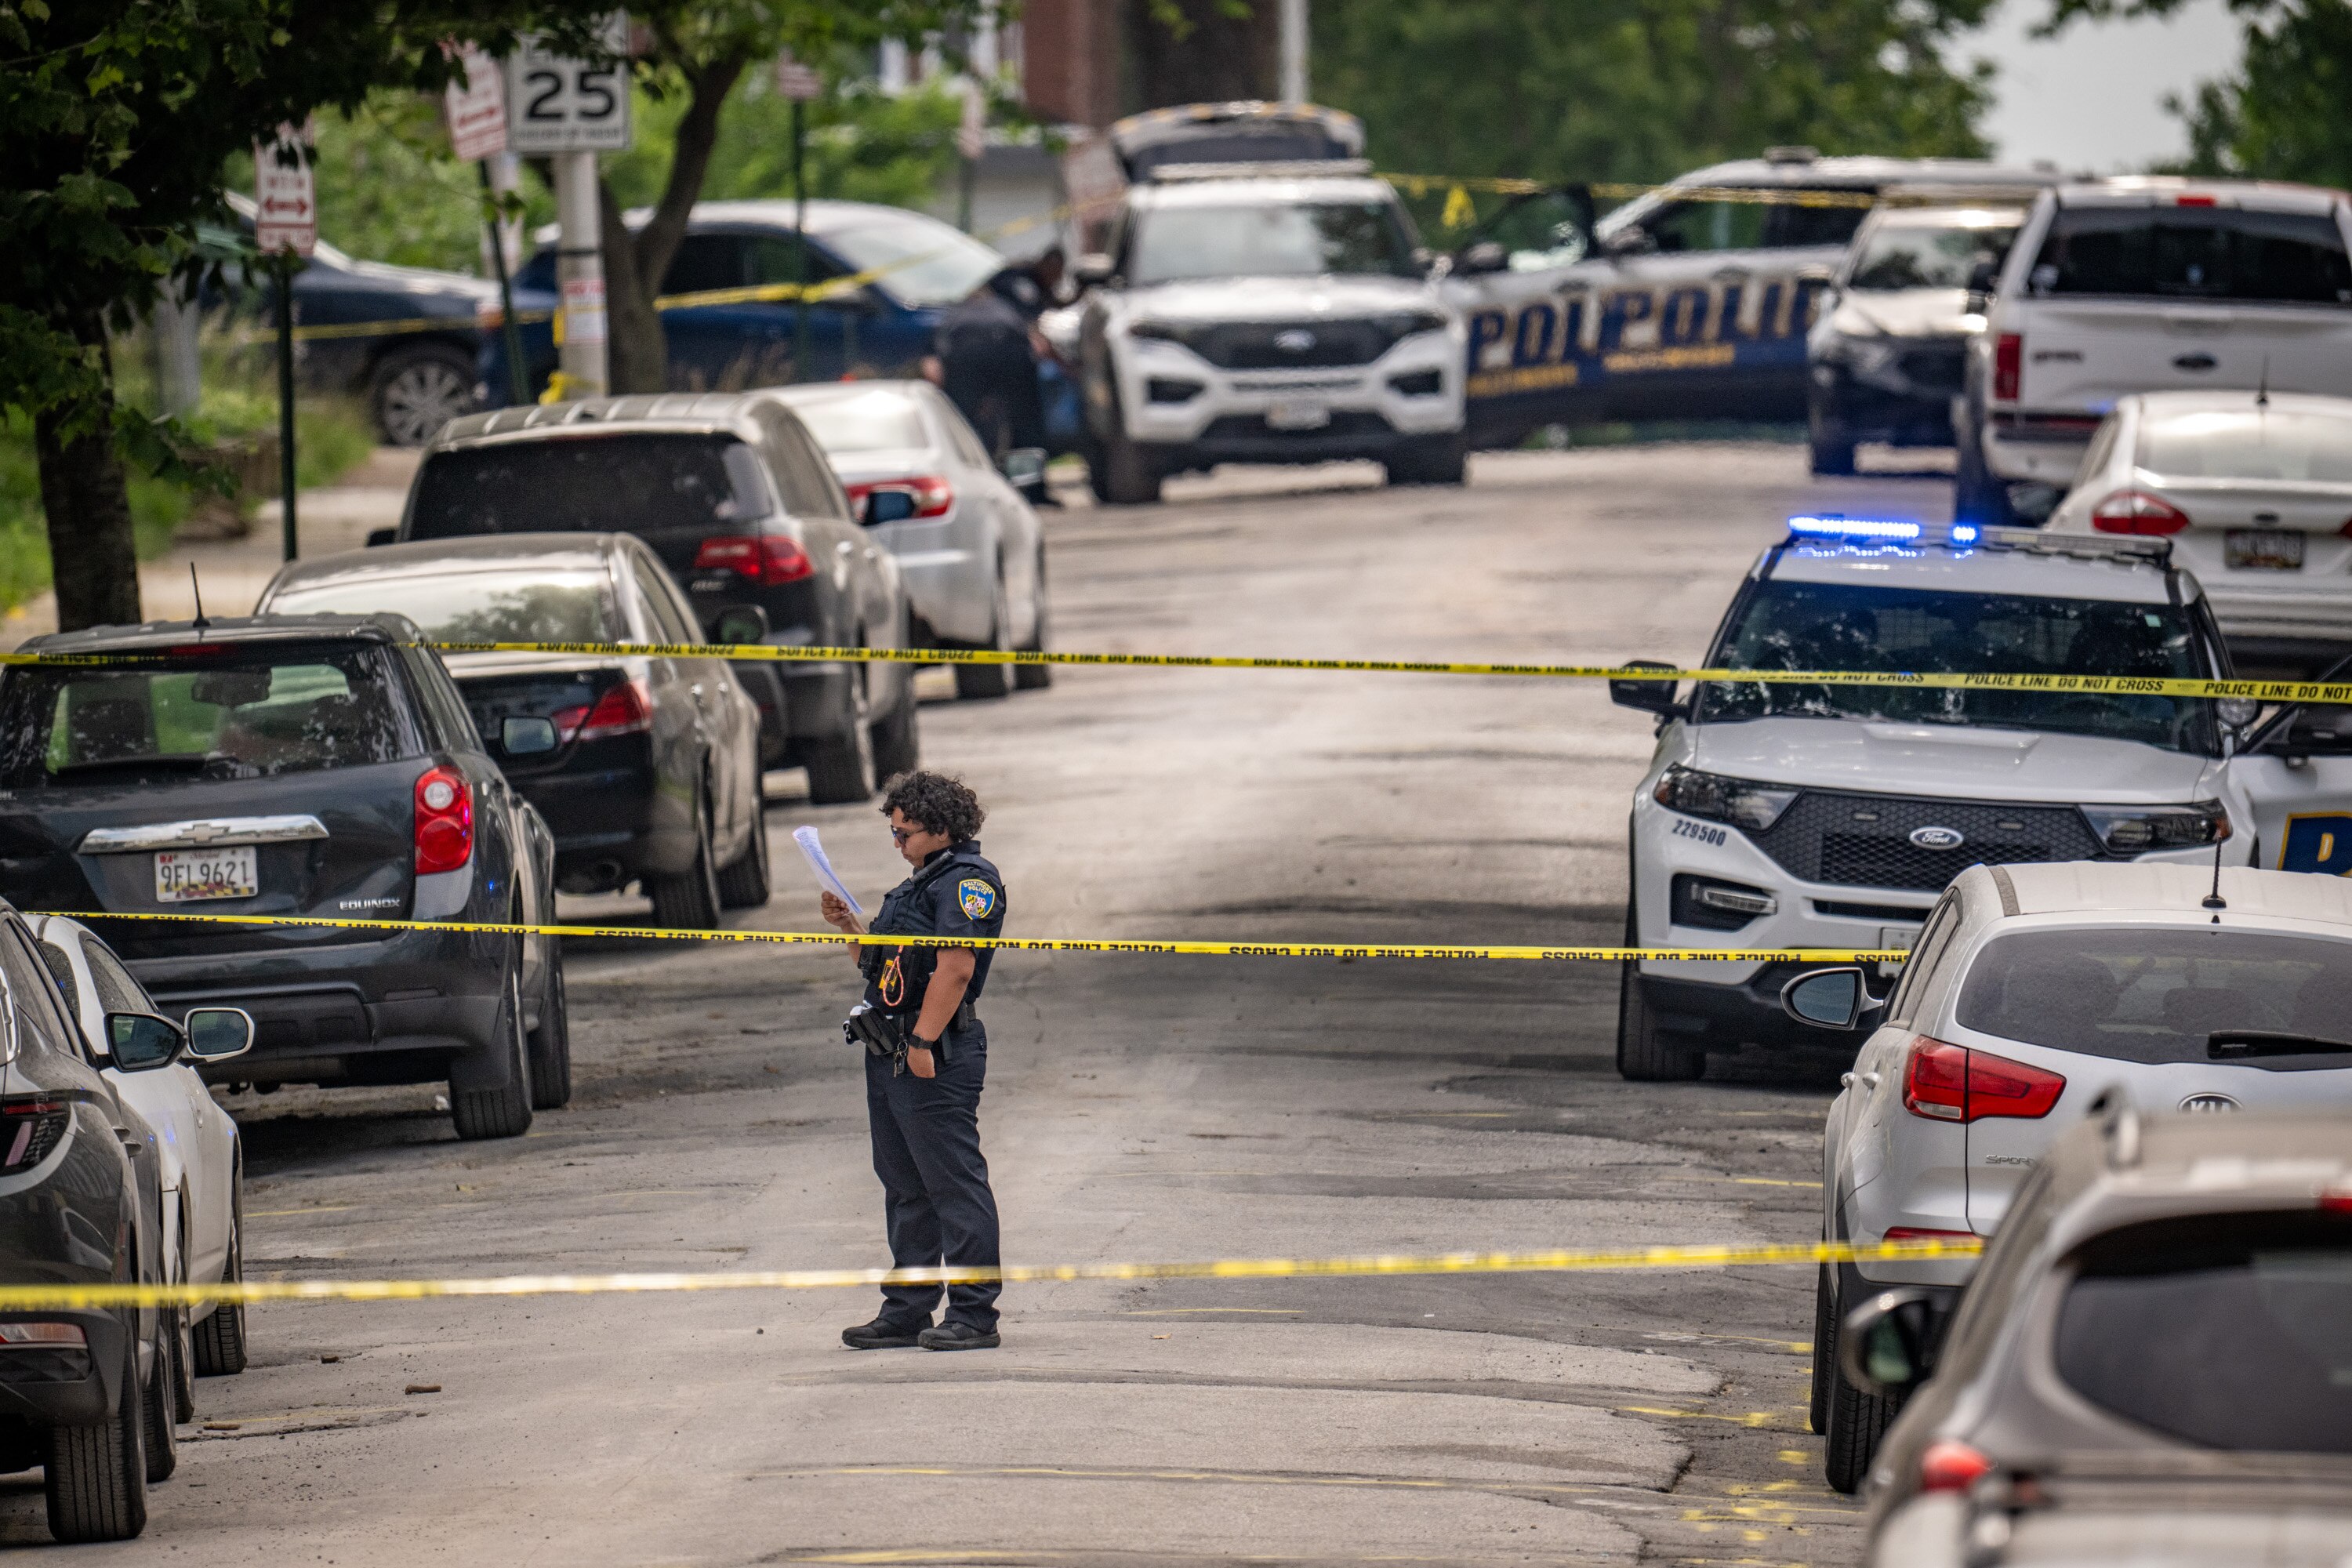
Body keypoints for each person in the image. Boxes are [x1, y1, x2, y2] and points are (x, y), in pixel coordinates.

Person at [820, 771, 1007, 1351]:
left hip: (934, 1050)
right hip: (888, 1047)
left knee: (953, 1184)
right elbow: (884, 969)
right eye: (894, 834)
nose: (898, 843)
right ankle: (908, 1307)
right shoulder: (917, 884)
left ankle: (974, 1313)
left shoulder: (968, 882)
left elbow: (956, 968)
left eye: (906, 833)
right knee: (904, 1185)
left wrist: (923, 1043)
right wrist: (850, 927)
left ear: (943, 829)